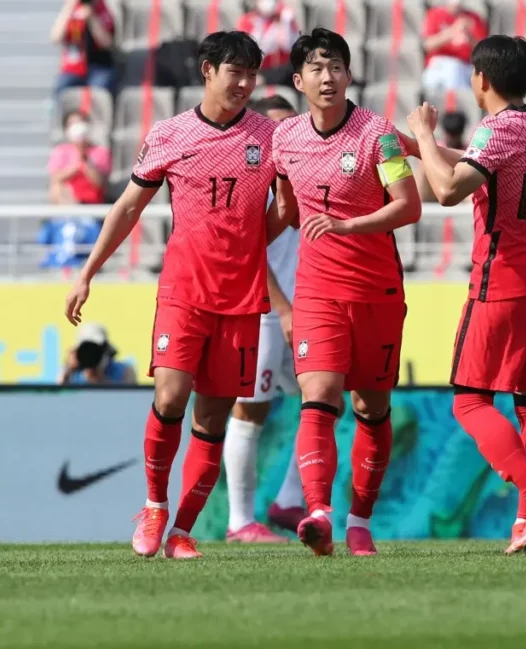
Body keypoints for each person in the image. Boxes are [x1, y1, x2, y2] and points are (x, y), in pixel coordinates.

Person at [65, 31, 286, 560]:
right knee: (169, 397)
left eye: (252, 74)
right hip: (184, 290)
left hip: (242, 298)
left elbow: (289, 210)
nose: (245, 83)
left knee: (212, 423)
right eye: (236, 72)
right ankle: (154, 505)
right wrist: (87, 272)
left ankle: (183, 531)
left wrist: (249, 244)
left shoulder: (270, 137)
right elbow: (126, 208)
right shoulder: (169, 134)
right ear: (208, 70)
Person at [406, 35, 526, 555]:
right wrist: (426, 149)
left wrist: (426, 139)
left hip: (500, 280)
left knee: (470, 401)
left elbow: (448, 191)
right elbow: (486, 164)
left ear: (481, 80)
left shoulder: (495, 130)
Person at [272, 28, 422, 556]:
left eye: (335, 66)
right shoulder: (283, 139)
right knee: (319, 396)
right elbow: (285, 210)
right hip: (316, 292)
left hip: (377, 290)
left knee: (372, 406)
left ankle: (360, 521)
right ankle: (318, 513)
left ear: (350, 74)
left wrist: (347, 226)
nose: (327, 76)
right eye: (315, 68)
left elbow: (409, 205)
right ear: (298, 81)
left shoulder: (377, 134)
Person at [223, 96, 305, 544]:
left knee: (324, 401)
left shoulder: (305, 174)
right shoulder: (254, 184)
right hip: (267, 313)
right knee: (249, 410)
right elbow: (249, 252)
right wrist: (284, 308)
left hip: (307, 309)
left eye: (289, 126)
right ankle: (239, 522)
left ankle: (289, 500)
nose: (282, 135)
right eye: (273, 127)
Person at [421, 0, 488, 94]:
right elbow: (427, 45)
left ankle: (453, 105)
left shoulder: (474, 18)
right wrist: (453, 31)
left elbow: (483, 52)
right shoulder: (434, 14)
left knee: (453, 69)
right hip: (437, 65)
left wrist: (469, 37)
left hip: (464, 66)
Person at [51, 0, 116, 95]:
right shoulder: (71, 10)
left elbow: (107, 44)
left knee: (99, 91)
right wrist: (68, 8)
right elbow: (55, 37)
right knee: (62, 86)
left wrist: (92, 18)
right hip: (73, 67)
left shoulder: (102, 9)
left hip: (99, 66)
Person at [48, 110, 112, 206]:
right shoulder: (60, 150)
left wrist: (86, 161)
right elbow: (56, 178)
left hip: (92, 200)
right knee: (57, 187)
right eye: (73, 124)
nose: (77, 127)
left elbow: (100, 183)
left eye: (80, 123)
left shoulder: (101, 152)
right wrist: (77, 165)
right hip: (67, 199)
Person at [236, 0, 298, 87]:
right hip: (257, 69)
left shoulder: (285, 18)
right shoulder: (248, 19)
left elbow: (290, 47)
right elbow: (248, 49)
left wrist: (285, 23)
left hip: (282, 71)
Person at [59, 322, 137, 386]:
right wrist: (67, 369)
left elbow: (128, 399)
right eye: (87, 350)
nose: (91, 354)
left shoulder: (125, 371)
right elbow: (58, 398)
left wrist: (98, 376)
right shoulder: (72, 374)